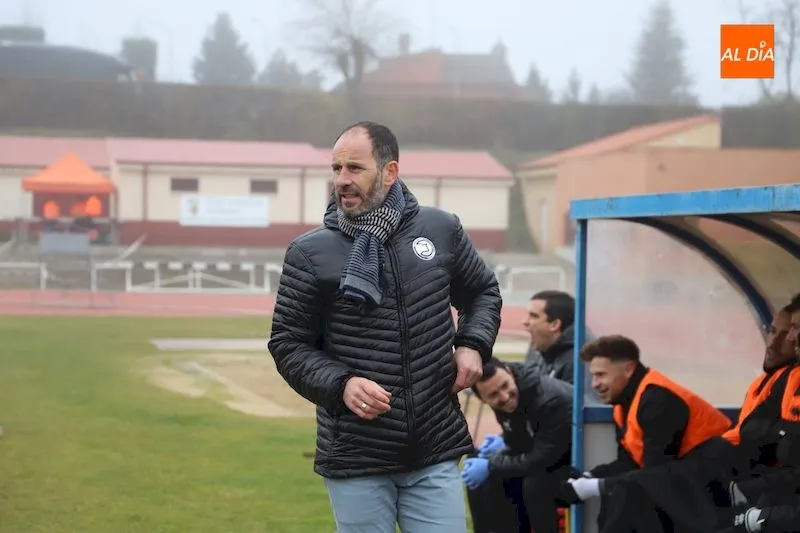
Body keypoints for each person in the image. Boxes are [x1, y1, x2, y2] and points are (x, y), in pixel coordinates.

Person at [267, 121, 502, 533]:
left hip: (435, 445)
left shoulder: (441, 229)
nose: (341, 180)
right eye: (336, 168)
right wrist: (341, 385)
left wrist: (472, 344)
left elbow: (482, 292)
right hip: (357, 454)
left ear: (390, 172)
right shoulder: (310, 252)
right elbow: (288, 343)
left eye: (354, 168)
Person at [560, 334, 734, 533]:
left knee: (628, 494)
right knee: (622, 491)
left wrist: (595, 486)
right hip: (684, 478)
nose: (594, 384)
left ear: (628, 369)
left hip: (713, 480)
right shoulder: (623, 406)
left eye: (601, 375)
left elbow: (655, 472)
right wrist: (591, 476)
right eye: (593, 376)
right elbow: (631, 463)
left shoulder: (657, 399)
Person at [462, 358, 573, 533]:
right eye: (493, 395)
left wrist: (492, 464)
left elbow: (540, 459)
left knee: (531, 482)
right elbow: (519, 445)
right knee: (478, 460)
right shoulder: (512, 395)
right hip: (547, 458)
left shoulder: (549, 400)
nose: (504, 396)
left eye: (505, 386)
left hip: (572, 462)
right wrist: (503, 445)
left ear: (510, 372)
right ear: (481, 399)